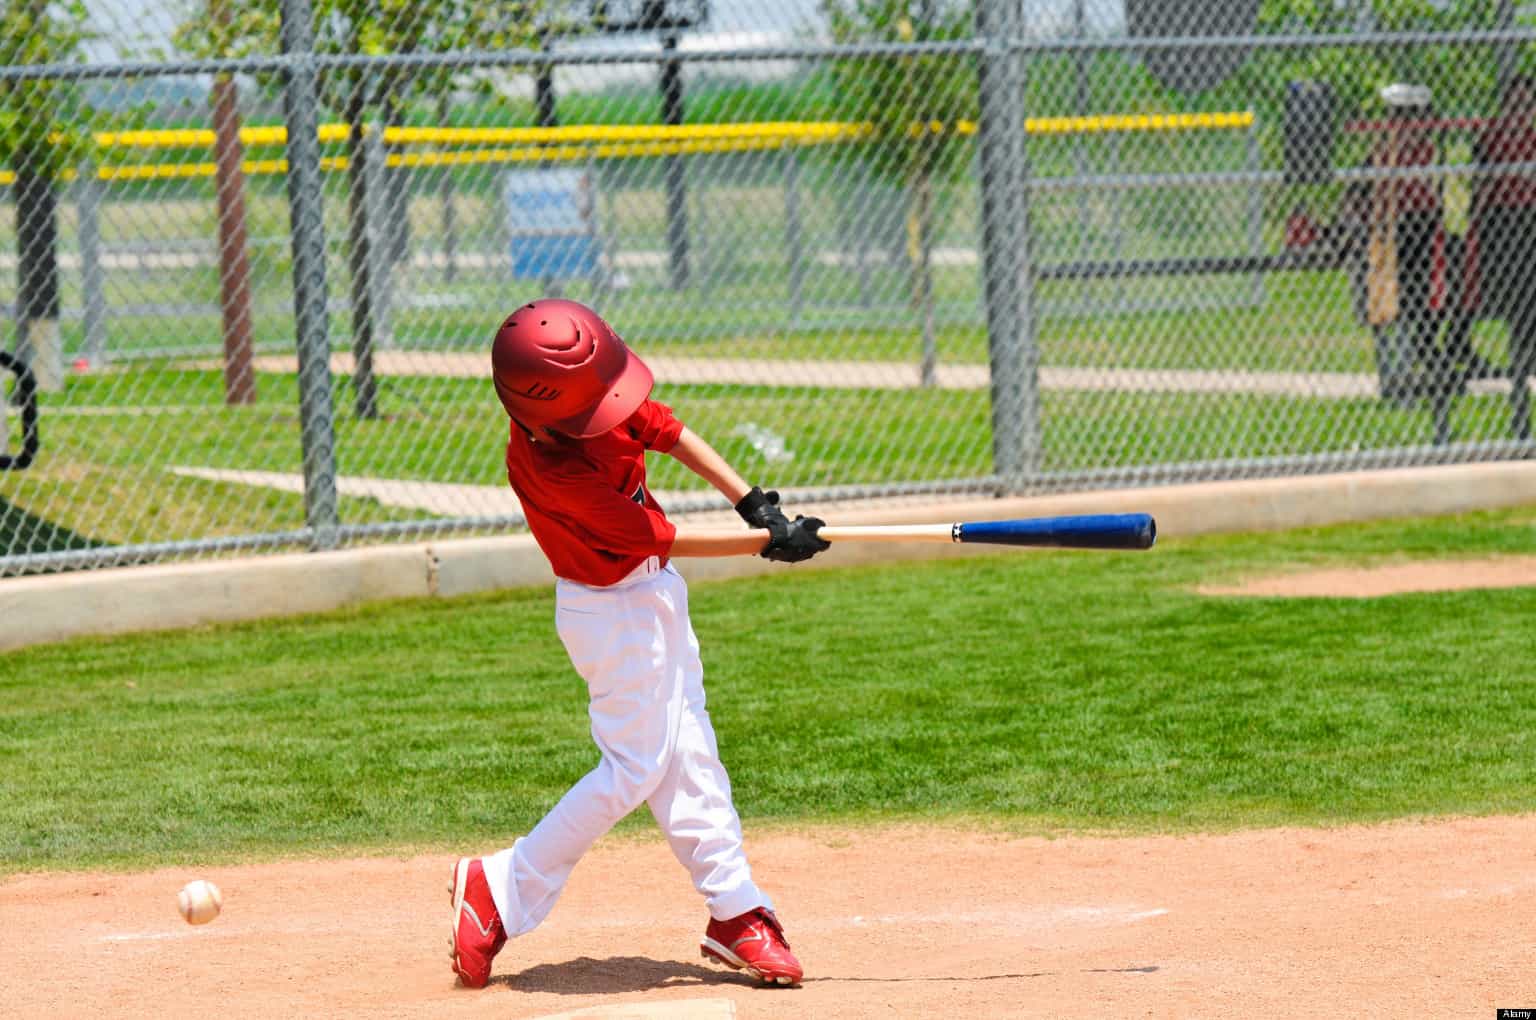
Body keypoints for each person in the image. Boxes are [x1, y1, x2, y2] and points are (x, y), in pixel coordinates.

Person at [447, 298, 828, 990]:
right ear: (547, 414)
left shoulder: (591, 398)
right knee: (635, 767)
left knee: (692, 750)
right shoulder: (550, 469)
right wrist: (766, 545)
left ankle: (735, 910)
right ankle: (499, 886)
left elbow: (668, 431)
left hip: (654, 595)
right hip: (608, 613)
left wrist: (754, 505)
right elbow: (659, 536)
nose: (614, 411)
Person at [1471, 73, 1536, 440]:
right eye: (1514, 103)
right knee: (1516, 315)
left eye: (1527, 104)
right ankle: (1519, 404)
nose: (1520, 111)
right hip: (1503, 225)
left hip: (1531, 223)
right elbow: (1480, 189)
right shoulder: (1490, 138)